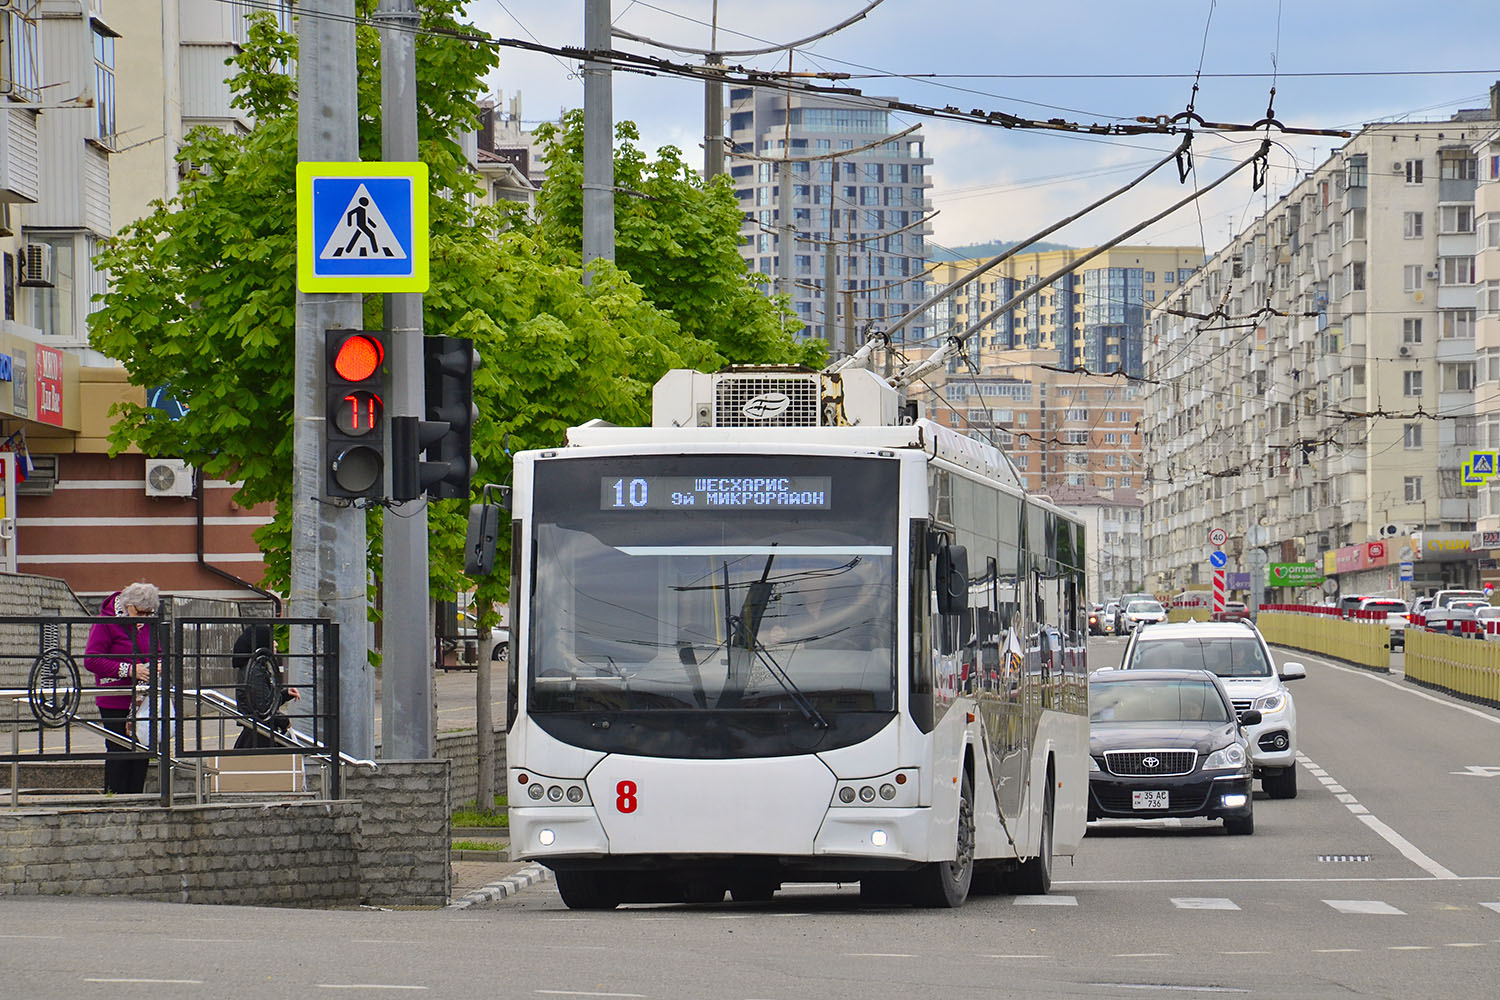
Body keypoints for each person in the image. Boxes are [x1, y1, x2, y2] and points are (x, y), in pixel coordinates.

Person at [83, 581, 159, 794]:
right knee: (119, 749)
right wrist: (128, 670)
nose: (143, 619)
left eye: (149, 614)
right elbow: (91, 660)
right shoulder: (105, 622)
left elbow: (158, 650)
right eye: (140, 613)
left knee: (143, 749)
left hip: (142, 699)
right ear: (128, 605)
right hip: (114, 697)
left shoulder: (146, 623)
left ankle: (136, 796)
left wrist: (158, 664)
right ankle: (115, 796)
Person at [231, 623, 300, 749]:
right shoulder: (255, 671)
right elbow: (262, 708)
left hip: (257, 733)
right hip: (260, 737)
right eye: (272, 640)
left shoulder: (253, 667)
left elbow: (262, 701)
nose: (275, 644)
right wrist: (283, 721)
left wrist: (284, 695)